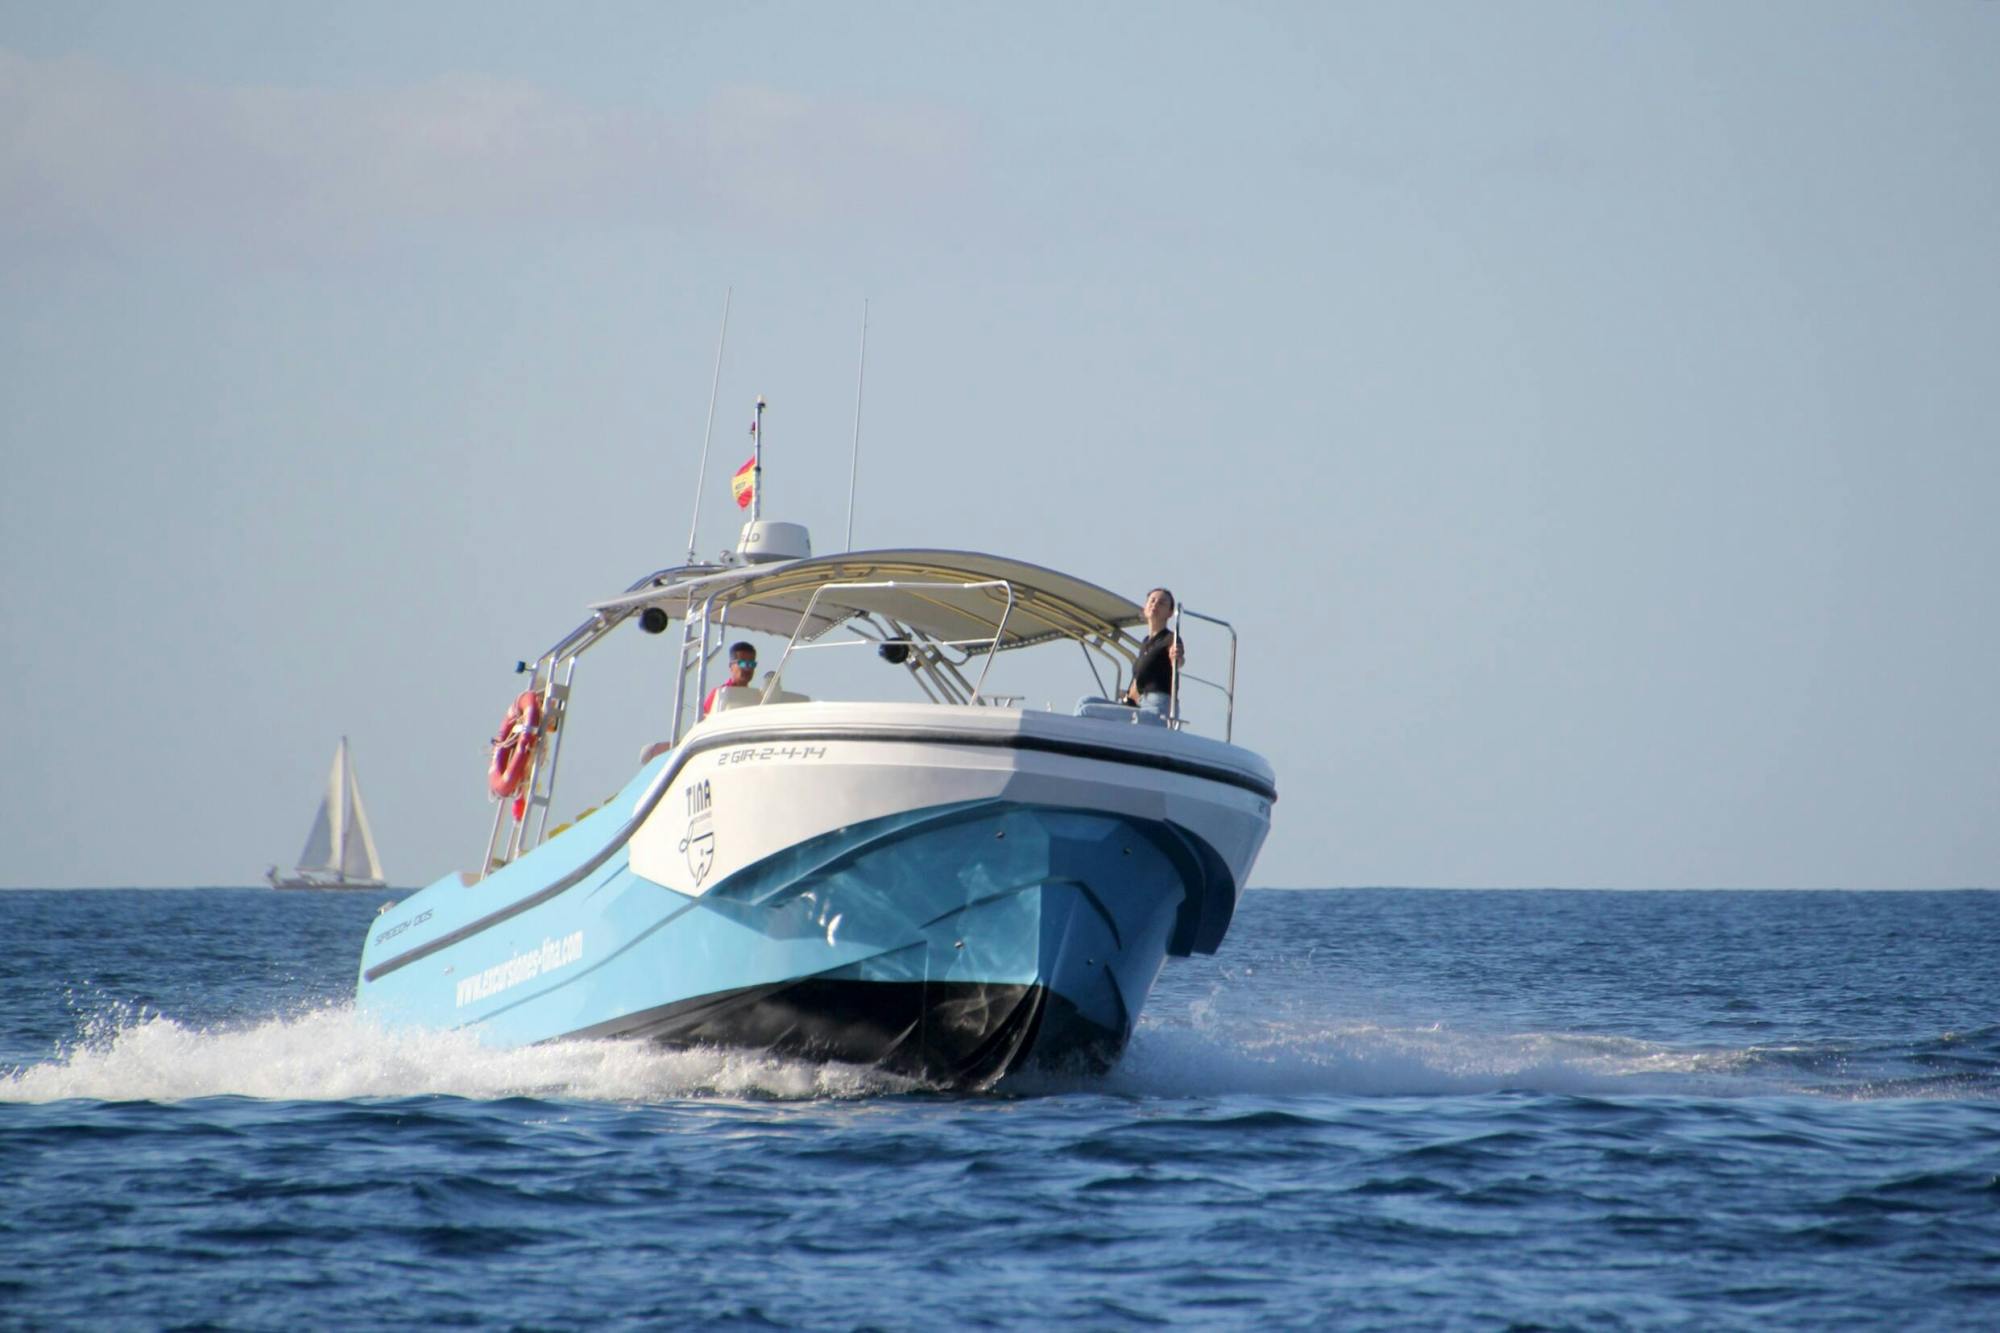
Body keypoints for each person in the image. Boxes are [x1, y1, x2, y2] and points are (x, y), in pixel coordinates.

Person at [1122, 587, 1185, 716]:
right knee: (1086, 702)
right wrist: (1126, 700)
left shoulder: (1171, 638)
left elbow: (1177, 658)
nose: (1155, 604)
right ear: (1144, 609)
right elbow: (1138, 681)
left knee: (1087, 710)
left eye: (1161, 603)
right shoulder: (1145, 643)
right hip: (1139, 704)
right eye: (1152, 601)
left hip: (1158, 703)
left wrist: (1177, 658)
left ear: (1170, 613)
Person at [703, 642, 759, 717]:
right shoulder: (719, 694)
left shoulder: (756, 697)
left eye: (751, 664)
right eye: (743, 663)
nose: (747, 668)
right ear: (731, 666)